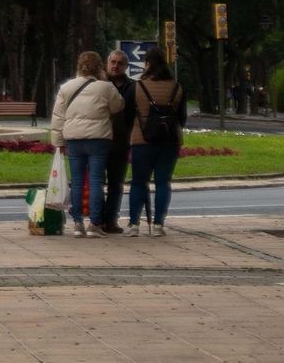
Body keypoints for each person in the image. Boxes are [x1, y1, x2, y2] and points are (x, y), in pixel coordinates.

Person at [50, 51, 124, 238]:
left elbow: (58, 117)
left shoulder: (67, 88)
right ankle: (95, 224)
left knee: (76, 182)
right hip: (98, 139)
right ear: (99, 66)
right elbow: (118, 106)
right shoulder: (106, 87)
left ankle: (77, 224)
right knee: (96, 182)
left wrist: (58, 142)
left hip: (74, 139)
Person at [126, 47, 188, 237]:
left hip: (141, 140)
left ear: (147, 64)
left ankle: (134, 224)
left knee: (138, 182)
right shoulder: (177, 87)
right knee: (163, 182)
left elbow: (127, 114)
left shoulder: (137, 87)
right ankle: (159, 224)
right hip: (169, 141)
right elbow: (182, 117)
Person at [99, 50, 136, 235]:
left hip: (121, 141)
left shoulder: (133, 87)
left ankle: (111, 220)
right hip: (98, 140)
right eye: (112, 62)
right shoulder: (98, 85)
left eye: (119, 63)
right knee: (97, 182)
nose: (115, 66)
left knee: (116, 184)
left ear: (126, 66)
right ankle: (97, 220)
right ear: (107, 63)